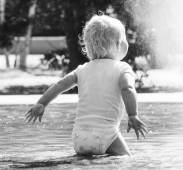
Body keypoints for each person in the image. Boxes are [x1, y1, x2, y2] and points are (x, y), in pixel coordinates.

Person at [25, 14, 148, 156]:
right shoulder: (122, 68)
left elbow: (59, 85)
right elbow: (127, 88)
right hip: (106, 134)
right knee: (125, 158)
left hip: (79, 137)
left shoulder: (82, 70)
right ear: (117, 45)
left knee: (88, 163)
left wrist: (42, 103)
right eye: (124, 39)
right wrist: (133, 115)